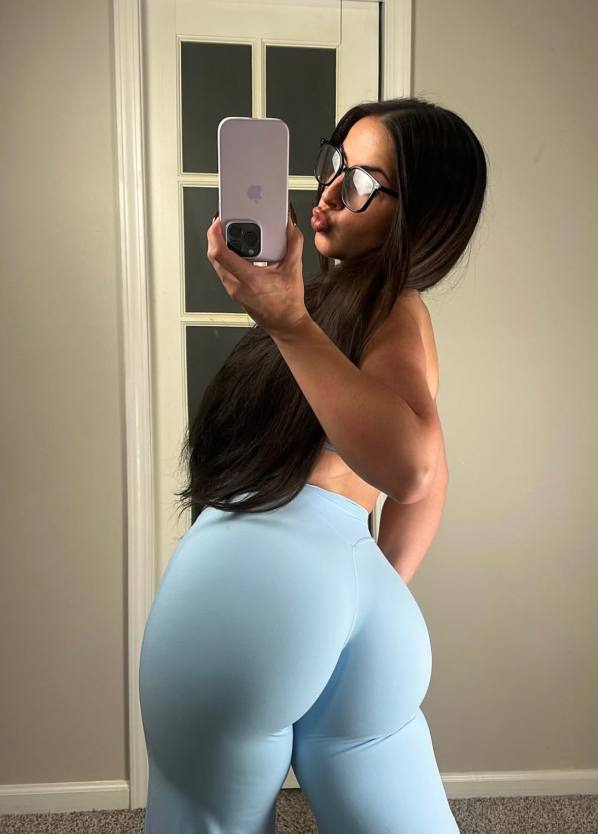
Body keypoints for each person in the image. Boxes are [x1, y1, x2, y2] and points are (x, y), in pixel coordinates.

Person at [139, 96, 488, 833]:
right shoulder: (389, 314)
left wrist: (287, 322)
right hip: (359, 605)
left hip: (248, 589)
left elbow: (414, 467)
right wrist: (364, 586)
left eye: (361, 183)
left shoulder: (369, 311)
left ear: (419, 215)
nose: (328, 191)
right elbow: (434, 471)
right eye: (334, 164)